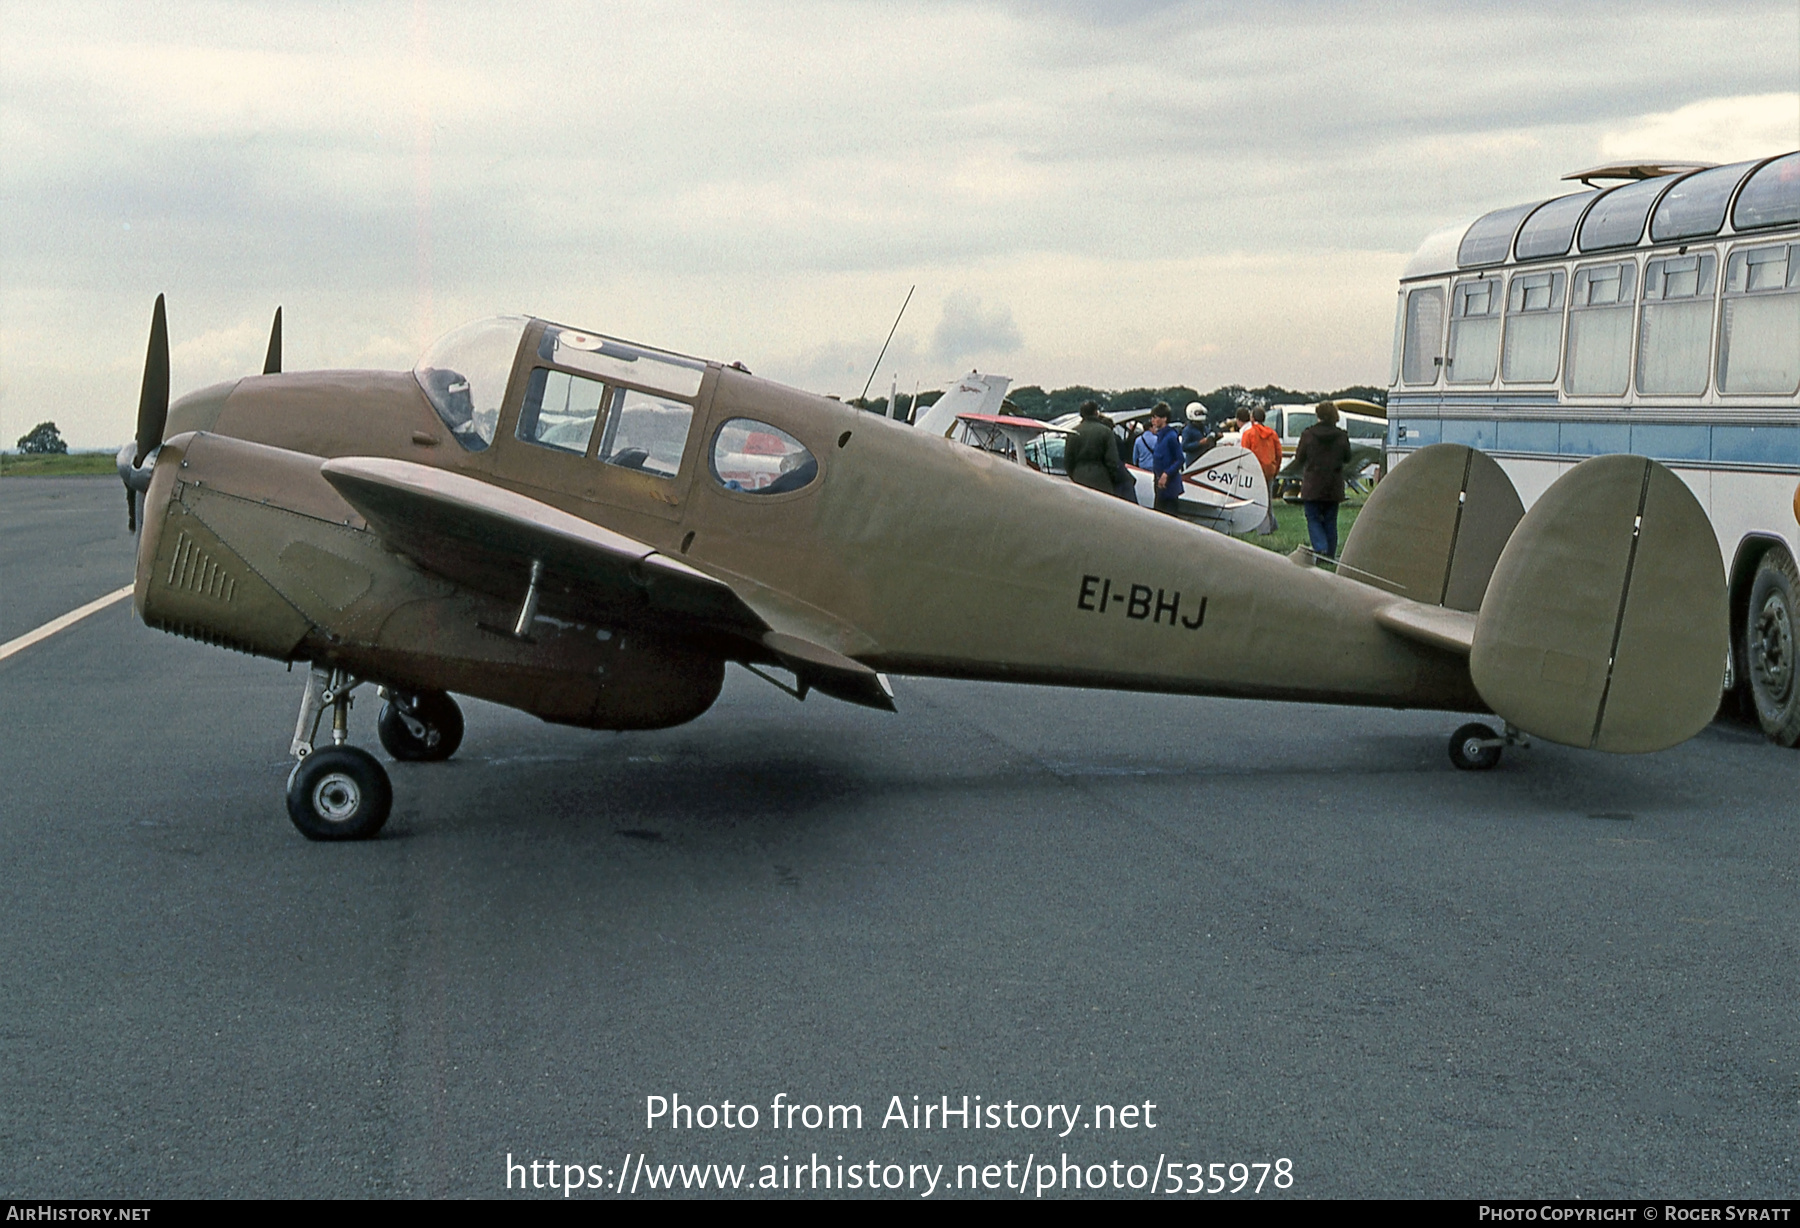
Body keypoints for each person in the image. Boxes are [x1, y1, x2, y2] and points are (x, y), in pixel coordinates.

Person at [1292, 400, 1352, 560]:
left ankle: (1320, 547)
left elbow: (1299, 458)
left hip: (1313, 484)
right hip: (1333, 484)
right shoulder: (1341, 435)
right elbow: (1348, 457)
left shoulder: (1308, 435)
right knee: (1330, 520)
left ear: (1318, 415)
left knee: (1313, 518)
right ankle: (1330, 554)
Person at [1066, 400, 1126, 496]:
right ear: (1096, 412)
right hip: (1101, 476)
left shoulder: (1073, 432)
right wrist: (1111, 477)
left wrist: (1074, 474)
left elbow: (1068, 460)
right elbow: (1112, 460)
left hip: (1079, 475)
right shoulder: (1106, 431)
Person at [1239, 405, 1283, 535]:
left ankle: (1262, 529)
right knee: (1268, 500)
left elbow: (1244, 454)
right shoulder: (1272, 434)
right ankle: (1271, 524)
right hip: (1269, 469)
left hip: (1254, 470)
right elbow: (1279, 453)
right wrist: (1276, 470)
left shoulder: (1248, 434)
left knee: (1255, 500)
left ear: (1252, 418)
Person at [1144, 402, 1184, 515]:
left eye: (1155, 417)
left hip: (1169, 486)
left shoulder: (1171, 436)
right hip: (1159, 485)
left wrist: (1166, 474)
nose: (1152, 421)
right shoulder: (1160, 436)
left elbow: (1180, 459)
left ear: (1164, 418)